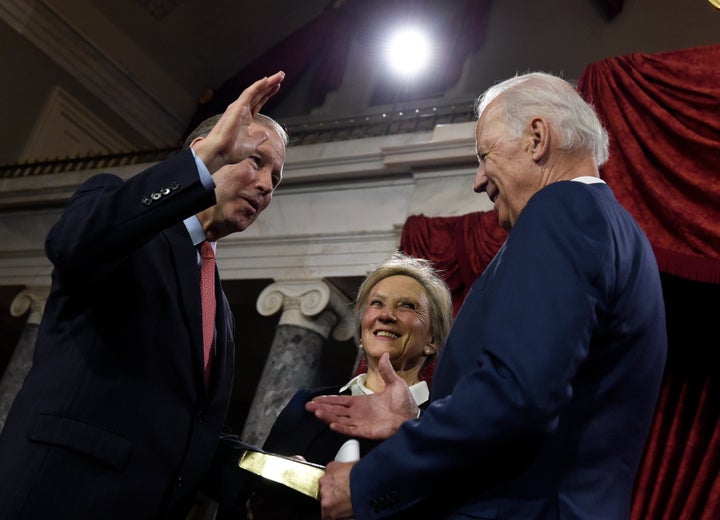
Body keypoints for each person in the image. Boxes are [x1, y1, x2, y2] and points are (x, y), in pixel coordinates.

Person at [306, 71, 668, 519]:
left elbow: (516, 397)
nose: (478, 181)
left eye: (484, 155)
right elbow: (549, 403)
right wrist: (415, 422)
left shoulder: (562, 210)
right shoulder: (620, 233)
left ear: (537, 138)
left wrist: (368, 482)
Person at [0, 71, 288, 519]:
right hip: (57, 499)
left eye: (276, 178)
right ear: (210, 150)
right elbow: (75, 243)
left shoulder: (221, 311)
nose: (268, 185)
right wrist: (204, 159)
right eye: (255, 161)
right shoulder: (119, 215)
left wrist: (287, 480)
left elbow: (188, 430)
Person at [216, 251, 454, 519]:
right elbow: (253, 499)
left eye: (407, 306)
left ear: (432, 340)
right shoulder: (308, 405)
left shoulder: (443, 423)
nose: (386, 315)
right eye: (376, 303)